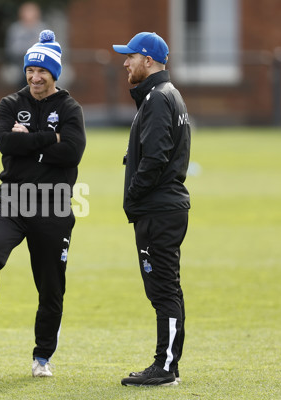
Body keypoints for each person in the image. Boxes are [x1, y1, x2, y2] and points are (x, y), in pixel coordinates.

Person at [0, 30, 86, 378]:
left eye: (42, 71)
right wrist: (48, 143)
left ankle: (42, 357)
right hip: (13, 201)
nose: (34, 77)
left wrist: (29, 141)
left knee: (50, 285)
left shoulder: (70, 108)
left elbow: (73, 150)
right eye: (30, 70)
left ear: (54, 73)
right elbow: (4, 144)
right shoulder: (11, 104)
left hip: (54, 206)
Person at [112, 32, 191, 387]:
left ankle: (166, 367)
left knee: (163, 289)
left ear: (148, 60)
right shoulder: (162, 95)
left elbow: (156, 158)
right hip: (162, 208)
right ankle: (165, 363)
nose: (125, 63)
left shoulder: (158, 98)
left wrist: (134, 195)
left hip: (159, 209)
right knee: (164, 288)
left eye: (130, 56)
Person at [4, 2, 45, 88]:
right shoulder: (15, 29)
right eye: (27, 12)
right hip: (19, 65)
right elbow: (13, 49)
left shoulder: (43, 29)